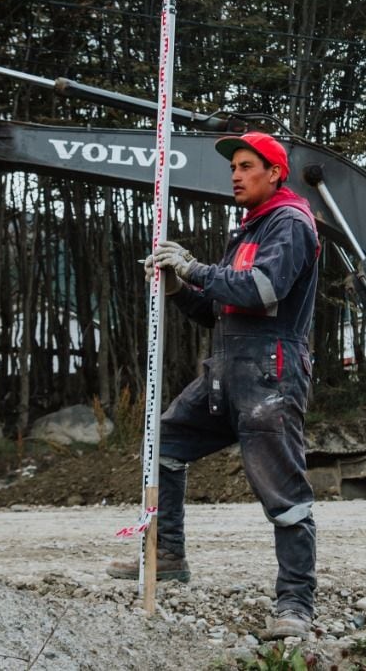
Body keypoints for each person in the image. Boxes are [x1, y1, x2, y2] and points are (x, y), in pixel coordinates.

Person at [107, 131, 320, 641]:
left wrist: (194, 267)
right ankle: (170, 554)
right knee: (165, 443)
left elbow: (262, 289)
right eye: (233, 168)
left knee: (284, 495)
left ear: (275, 173)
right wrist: (180, 286)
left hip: (271, 375)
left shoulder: (290, 224)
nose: (236, 175)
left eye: (247, 166)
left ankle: (295, 603)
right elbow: (218, 309)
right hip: (225, 374)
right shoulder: (249, 230)